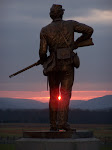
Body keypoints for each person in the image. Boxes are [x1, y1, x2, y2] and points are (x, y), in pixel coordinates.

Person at [39, 4, 94, 131]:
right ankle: (62, 123)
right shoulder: (70, 24)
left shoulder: (45, 30)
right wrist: (76, 43)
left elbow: (42, 52)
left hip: (53, 66)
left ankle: (53, 124)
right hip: (67, 64)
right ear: (62, 14)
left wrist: (44, 61)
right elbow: (89, 30)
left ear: (51, 15)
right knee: (65, 94)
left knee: (53, 95)